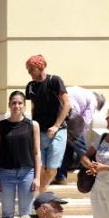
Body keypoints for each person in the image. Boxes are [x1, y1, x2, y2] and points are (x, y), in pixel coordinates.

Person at [0, 91, 41, 218]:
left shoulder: (32, 125)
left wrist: (38, 177)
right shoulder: (0, 126)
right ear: (9, 104)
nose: (16, 106)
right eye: (14, 103)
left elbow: (36, 152)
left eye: (20, 103)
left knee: (25, 214)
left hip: (27, 173)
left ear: (24, 105)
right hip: (5, 174)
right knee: (7, 214)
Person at [25, 54, 71, 191]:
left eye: (31, 69)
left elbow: (67, 104)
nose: (30, 73)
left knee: (51, 168)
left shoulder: (54, 80)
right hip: (39, 131)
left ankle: (41, 194)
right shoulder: (30, 86)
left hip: (57, 131)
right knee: (40, 167)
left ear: (40, 67)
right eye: (28, 70)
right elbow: (33, 107)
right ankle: (41, 197)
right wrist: (32, 127)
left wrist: (56, 126)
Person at [54, 87, 106, 185]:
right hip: (70, 115)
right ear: (99, 102)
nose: (95, 109)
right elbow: (86, 120)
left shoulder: (81, 92)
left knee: (65, 148)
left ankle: (61, 177)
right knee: (84, 153)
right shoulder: (93, 100)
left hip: (57, 113)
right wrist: (80, 136)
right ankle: (92, 175)